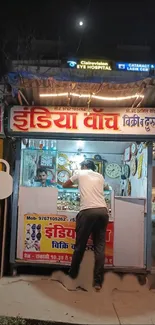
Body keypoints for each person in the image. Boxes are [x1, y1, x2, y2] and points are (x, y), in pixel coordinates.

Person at [63, 159, 109, 291]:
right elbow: (106, 188)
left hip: (87, 211)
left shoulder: (80, 173)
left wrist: (78, 186)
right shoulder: (100, 176)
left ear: (83, 166)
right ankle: (97, 282)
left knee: (80, 246)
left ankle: (72, 277)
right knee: (99, 247)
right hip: (103, 211)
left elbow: (65, 185)